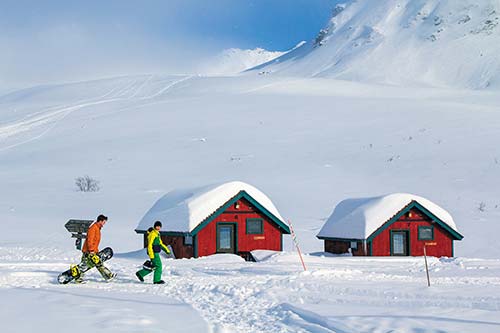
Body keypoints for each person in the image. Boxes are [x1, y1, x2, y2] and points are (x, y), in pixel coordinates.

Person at [74, 214, 116, 283]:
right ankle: (77, 278)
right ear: (100, 221)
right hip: (88, 251)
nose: (104, 224)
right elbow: (90, 240)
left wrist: (95, 250)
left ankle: (108, 276)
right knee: (84, 265)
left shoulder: (97, 228)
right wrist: (91, 250)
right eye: (104, 222)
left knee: (98, 263)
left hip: (93, 250)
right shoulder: (93, 228)